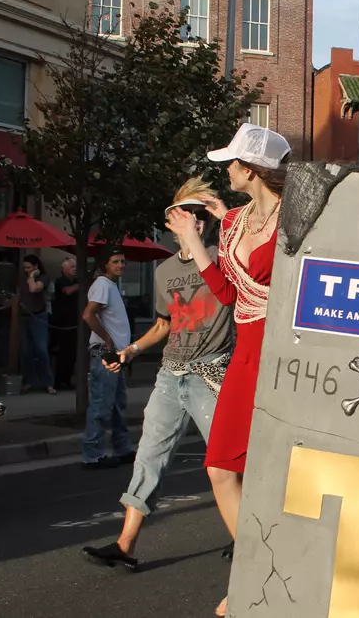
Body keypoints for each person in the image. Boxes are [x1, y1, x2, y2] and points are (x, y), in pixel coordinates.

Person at [165, 123, 291, 617]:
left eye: (234, 162)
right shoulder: (235, 221)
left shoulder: (296, 217)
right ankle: (259, 571)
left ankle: (260, 579)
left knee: (274, 473)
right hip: (246, 350)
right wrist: (195, 239)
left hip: (284, 349)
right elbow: (227, 294)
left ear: (252, 169)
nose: (227, 169)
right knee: (221, 467)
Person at [82, 178, 234, 570]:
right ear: (171, 221)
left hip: (211, 373)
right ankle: (125, 543)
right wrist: (130, 350)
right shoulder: (164, 271)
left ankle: (247, 535)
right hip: (171, 374)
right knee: (149, 455)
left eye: (199, 216)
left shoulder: (223, 257)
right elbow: (167, 323)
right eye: (185, 214)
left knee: (226, 462)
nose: (193, 222)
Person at [81, 246, 135, 469]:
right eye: (115, 262)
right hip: (106, 354)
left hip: (117, 355)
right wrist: (107, 340)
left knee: (116, 405)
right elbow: (88, 314)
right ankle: (92, 454)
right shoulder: (103, 284)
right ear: (105, 265)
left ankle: (122, 448)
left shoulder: (111, 285)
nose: (121, 265)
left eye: (123, 261)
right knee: (101, 406)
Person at [19, 254, 55, 394]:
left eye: (29, 267)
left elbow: (34, 289)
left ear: (36, 267)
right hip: (24, 315)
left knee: (41, 349)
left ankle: (48, 382)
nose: (26, 270)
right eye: (24, 268)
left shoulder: (43, 278)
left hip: (38, 315)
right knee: (26, 350)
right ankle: (29, 380)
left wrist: (33, 276)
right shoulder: (21, 278)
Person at [53, 257, 80, 390]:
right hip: (63, 321)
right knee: (63, 352)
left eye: (75, 267)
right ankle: (59, 380)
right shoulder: (60, 281)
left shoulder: (76, 280)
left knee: (73, 352)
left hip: (75, 320)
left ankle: (68, 378)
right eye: (71, 267)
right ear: (64, 269)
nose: (74, 269)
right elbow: (67, 291)